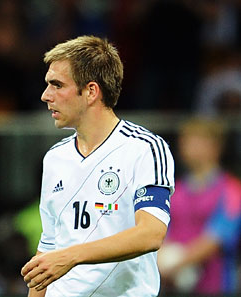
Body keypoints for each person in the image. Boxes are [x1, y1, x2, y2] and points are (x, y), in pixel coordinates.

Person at [20, 35, 175, 297]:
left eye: (57, 85)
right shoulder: (54, 158)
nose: (46, 95)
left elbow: (151, 234)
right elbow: (48, 249)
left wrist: (72, 256)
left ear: (91, 91)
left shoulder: (145, 148)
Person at [158, 117, 241, 295]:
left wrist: (176, 264)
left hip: (214, 286)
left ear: (215, 147)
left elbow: (218, 237)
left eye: (196, 142)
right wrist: (161, 262)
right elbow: (163, 232)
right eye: (186, 142)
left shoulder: (232, 190)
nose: (188, 147)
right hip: (174, 286)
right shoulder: (175, 190)